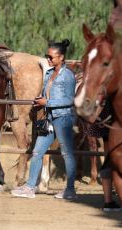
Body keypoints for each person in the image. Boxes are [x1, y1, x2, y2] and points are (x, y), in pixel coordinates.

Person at [11, 39, 77, 200]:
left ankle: (70, 190)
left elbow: (69, 100)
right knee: (37, 151)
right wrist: (41, 100)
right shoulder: (48, 73)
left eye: (51, 57)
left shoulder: (68, 76)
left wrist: (48, 102)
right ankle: (30, 187)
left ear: (61, 57)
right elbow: (49, 94)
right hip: (49, 118)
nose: (48, 59)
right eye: (46, 56)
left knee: (67, 153)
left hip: (63, 119)